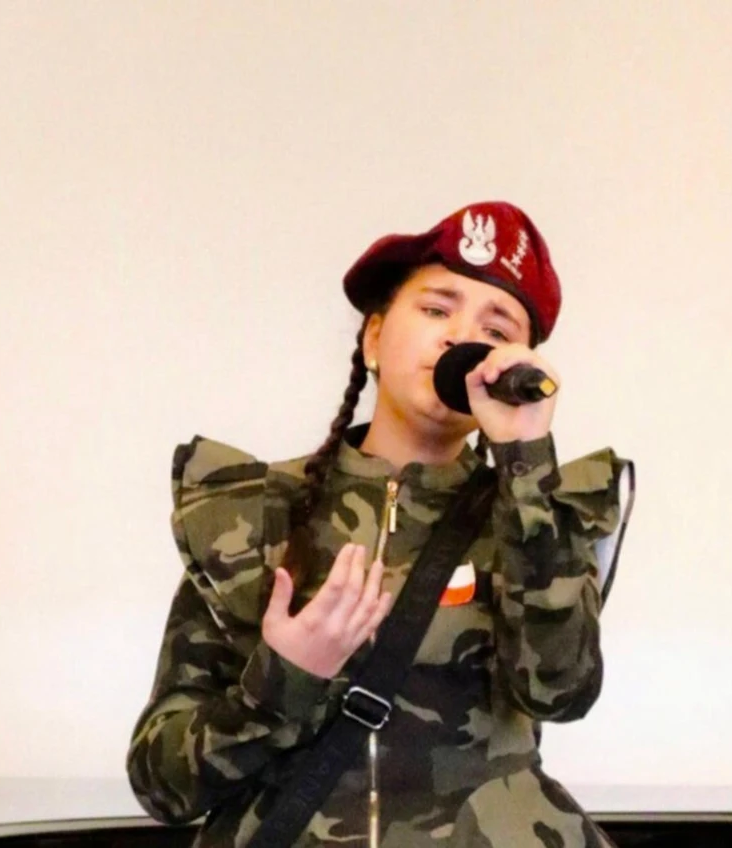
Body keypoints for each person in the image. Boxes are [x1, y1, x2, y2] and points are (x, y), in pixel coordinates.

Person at [126, 201, 628, 847]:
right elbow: (161, 785)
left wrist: (525, 462)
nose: (459, 337)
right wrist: (284, 679)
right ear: (373, 338)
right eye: (437, 310)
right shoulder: (249, 513)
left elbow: (561, 693)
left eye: (496, 329)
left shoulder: (538, 517)